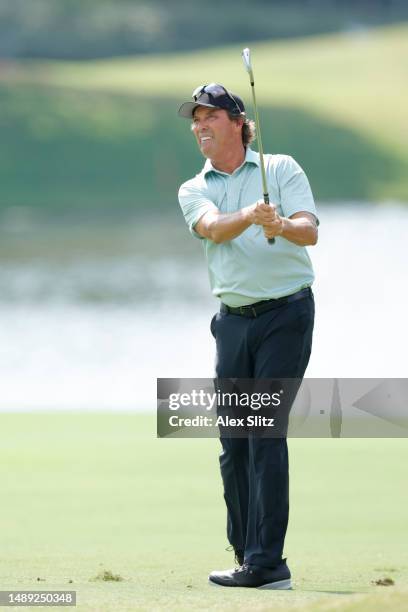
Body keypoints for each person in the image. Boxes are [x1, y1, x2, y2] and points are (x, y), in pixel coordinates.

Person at [177, 83, 318, 589]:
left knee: (264, 432)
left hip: (286, 316)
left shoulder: (280, 169)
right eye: (195, 120)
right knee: (233, 442)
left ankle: (267, 564)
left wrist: (278, 220)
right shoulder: (194, 188)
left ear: (237, 121)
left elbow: (309, 229)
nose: (199, 126)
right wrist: (249, 218)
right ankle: (245, 555)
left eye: (209, 116)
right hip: (232, 322)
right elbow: (213, 228)